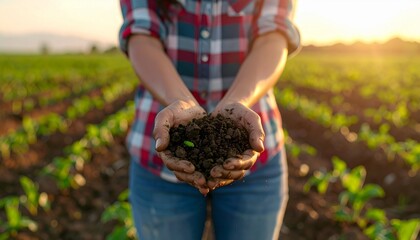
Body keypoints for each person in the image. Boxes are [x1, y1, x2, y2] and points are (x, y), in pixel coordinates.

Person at [119, 0, 300, 239]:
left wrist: (239, 101)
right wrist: (179, 100)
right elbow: (142, 37)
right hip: (158, 162)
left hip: (255, 163)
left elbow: (272, 36)